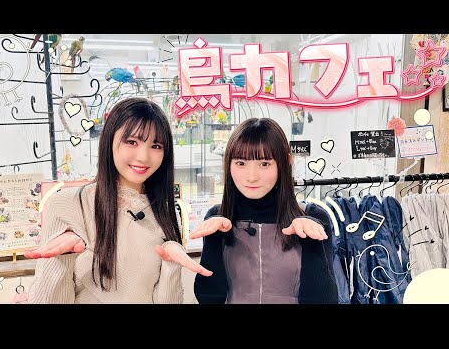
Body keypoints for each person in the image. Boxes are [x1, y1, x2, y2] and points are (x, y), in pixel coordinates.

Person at [25, 97, 211, 304]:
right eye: (132, 142)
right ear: (109, 141)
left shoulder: (166, 212)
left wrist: (171, 264)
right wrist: (62, 259)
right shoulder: (67, 204)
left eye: (156, 146)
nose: (143, 156)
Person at [191, 118, 338, 304]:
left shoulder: (313, 217)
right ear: (228, 164)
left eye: (264, 164)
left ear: (286, 161)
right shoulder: (218, 217)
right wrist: (213, 239)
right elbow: (209, 299)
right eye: (241, 163)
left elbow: (325, 300)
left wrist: (311, 243)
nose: (251, 177)